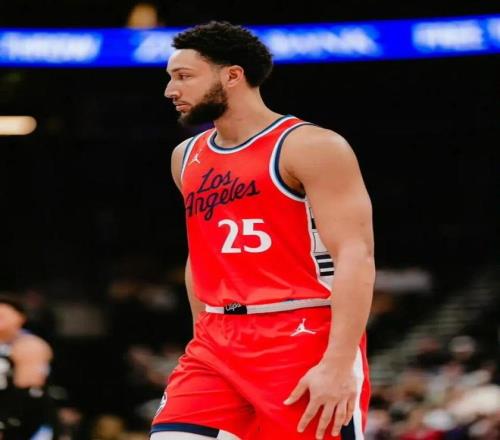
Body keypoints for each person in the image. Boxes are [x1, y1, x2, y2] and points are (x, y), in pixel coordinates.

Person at [151, 21, 374, 440]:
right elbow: (201, 253)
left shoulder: (311, 146)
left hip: (300, 333)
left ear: (232, 75)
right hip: (216, 339)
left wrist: (339, 361)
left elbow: (354, 255)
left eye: (183, 76)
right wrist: (202, 333)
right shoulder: (185, 156)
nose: (170, 90)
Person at [0, 295, 54, 439]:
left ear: (20, 318)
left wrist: (5, 424)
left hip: (25, 421)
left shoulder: (29, 345)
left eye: (4, 314)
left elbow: (27, 394)